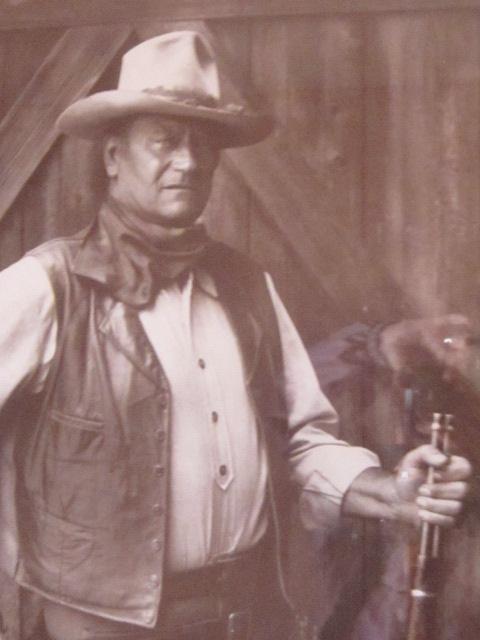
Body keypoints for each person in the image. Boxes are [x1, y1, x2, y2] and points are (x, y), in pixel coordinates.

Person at [0, 31, 471, 640]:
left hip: (247, 620)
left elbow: (299, 444)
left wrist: (391, 492)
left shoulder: (248, 287)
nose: (188, 162)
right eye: (165, 141)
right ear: (114, 156)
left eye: (203, 145)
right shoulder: (46, 286)